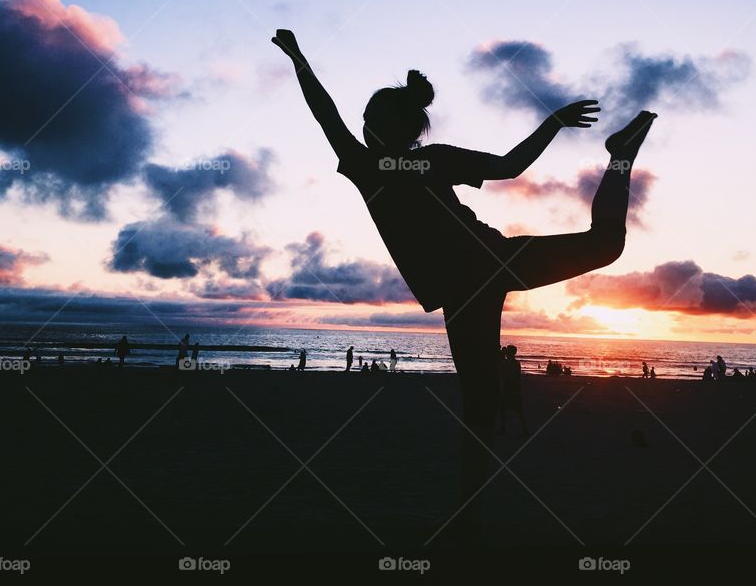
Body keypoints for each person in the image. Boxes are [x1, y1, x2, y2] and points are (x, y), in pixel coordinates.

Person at [273, 28, 656, 520]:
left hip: (479, 272)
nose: (364, 124)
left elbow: (324, 111)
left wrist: (299, 58)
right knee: (605, 248)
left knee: (481, 400)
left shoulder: (374, 164)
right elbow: (511, 165)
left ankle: (468, 505)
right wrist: (552, 123)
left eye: (369, 118)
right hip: (480, 275)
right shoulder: (418, 160)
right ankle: (468, 507)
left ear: (379, 126)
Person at [498, 345, 528, 436]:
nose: (506, 352)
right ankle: (523, 430)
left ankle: (524, 430)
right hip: (513, 389)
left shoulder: (512, 363)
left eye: (507, 351)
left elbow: (504, 372)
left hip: (512, 389)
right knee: (506, 410)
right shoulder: (515, 363)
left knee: (517, 411)